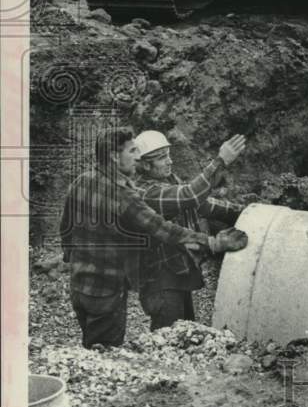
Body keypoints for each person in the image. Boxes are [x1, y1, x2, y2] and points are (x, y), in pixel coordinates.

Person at [60, 126, 246, 349]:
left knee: (97, 349)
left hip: (81, 285)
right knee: (111, 353)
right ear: (114, 156)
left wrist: (242, 211)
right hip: (115, 290)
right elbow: (167, 225)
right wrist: (213, 242)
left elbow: (66, 227)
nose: (136, 158)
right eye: (132, 152)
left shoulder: (83, 180)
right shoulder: (134, 195)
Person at [133, 130, 246, 331]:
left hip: (177, 274)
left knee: (184, 335)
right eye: (161, 158)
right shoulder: (145, 192)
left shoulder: (167, 181)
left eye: (168, 155)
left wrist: (244, 213)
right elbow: (190, 195)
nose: (169, 161)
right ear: (144, 164)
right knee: (168, 341)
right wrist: (220, 161)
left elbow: (202, 204)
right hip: (159, 282)